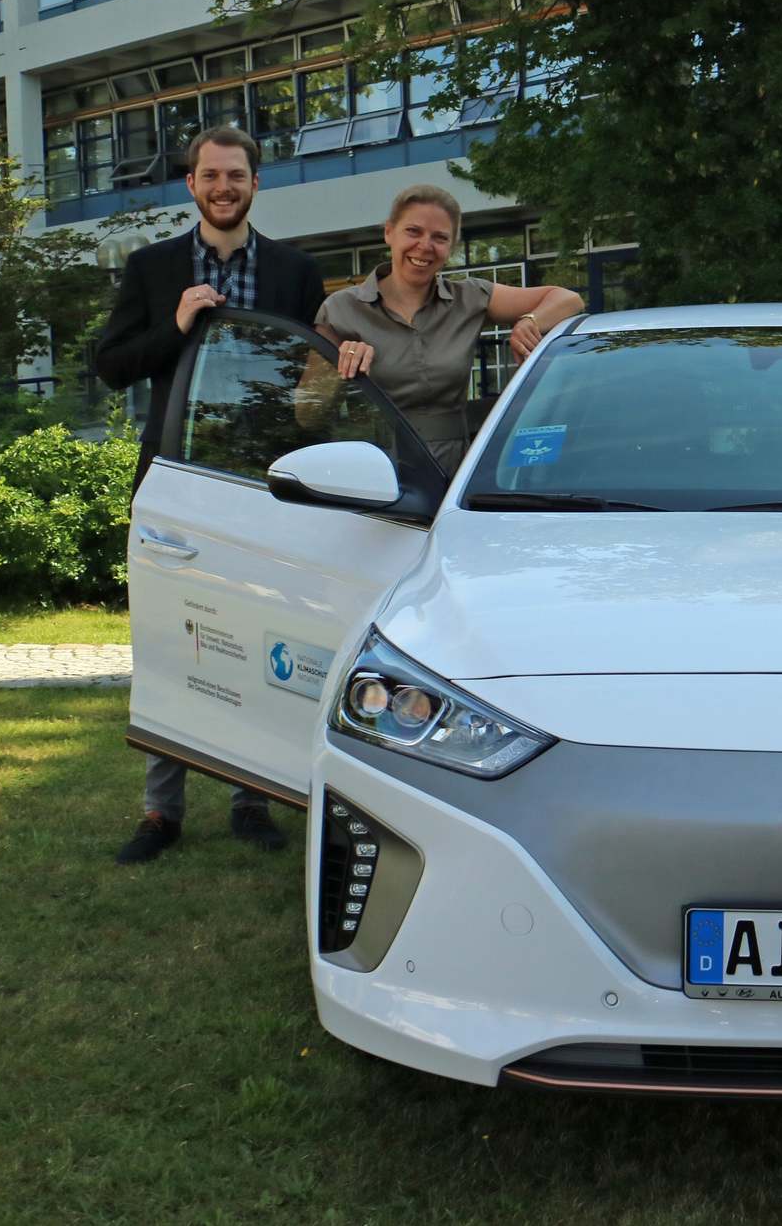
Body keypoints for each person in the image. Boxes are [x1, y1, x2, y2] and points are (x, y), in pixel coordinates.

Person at [95, 124, 327, 865]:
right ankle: (162, 811)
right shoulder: (154, 267)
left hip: (267, 485)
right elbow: (111, 365)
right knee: (168, 639)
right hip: (176, 484)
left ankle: (251, 797)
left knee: (258, 637)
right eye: (210, 176)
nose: (224, 187)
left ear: (256, 184)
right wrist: (177, 324)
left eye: (237, 175)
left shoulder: (295, 271)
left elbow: (313, 380)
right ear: (191, 185)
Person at [314, 184, 585, 475]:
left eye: (440, 237)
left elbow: (569, 299)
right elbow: (309, 414)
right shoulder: (340, 308)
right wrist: (339, 365)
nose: (425, 246)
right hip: (371, 473)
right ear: (389, 232)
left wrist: (529, 320)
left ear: (452, 245)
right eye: (413, 231)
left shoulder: (469, 298)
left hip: (451, 474)